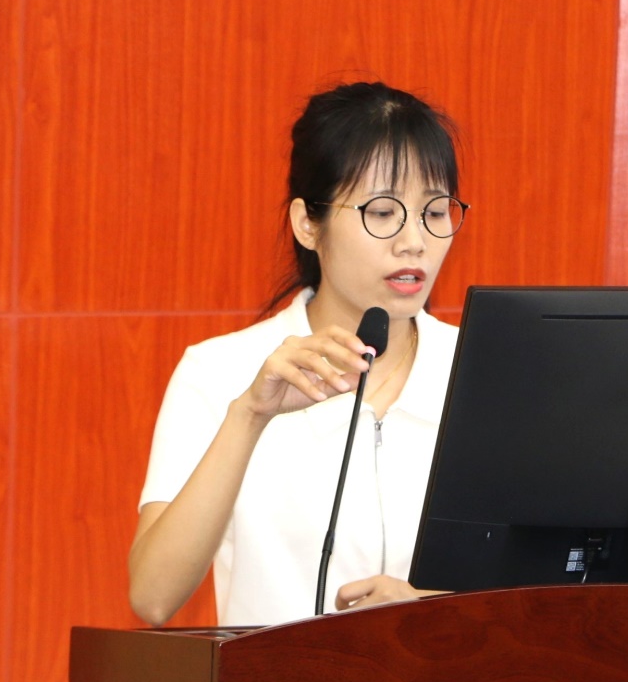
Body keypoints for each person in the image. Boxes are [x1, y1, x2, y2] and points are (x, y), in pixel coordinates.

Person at [129, 82, 467, 627]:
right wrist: (249, 415)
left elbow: (542, 591)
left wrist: (429, 611)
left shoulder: (483, 372)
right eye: (383, 212)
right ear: (308, 223)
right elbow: (152, 596)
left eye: (434, 211)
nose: (414, 241)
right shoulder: (219, 373)